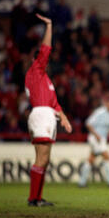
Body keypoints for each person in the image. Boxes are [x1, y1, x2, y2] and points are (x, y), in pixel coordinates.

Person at [25, 14, 72, 207]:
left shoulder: (44, 80)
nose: (47, 60)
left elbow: (55, 104)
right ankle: (33, 199)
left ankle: (37, 197)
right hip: (42, 116)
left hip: (46, 115)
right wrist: (50, 26)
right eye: (44, 59)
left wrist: (64, 118)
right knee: (42, 158)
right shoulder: (36, 71)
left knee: (44, 159)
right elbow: (46, 49)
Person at [78, 97, 109, 188]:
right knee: (107, 157)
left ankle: (81, 183)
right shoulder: (99, 112)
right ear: (107, 104)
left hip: (102, 140)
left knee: (91, 159)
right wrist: (96, 135)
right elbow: (88, 123)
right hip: (95, 138)